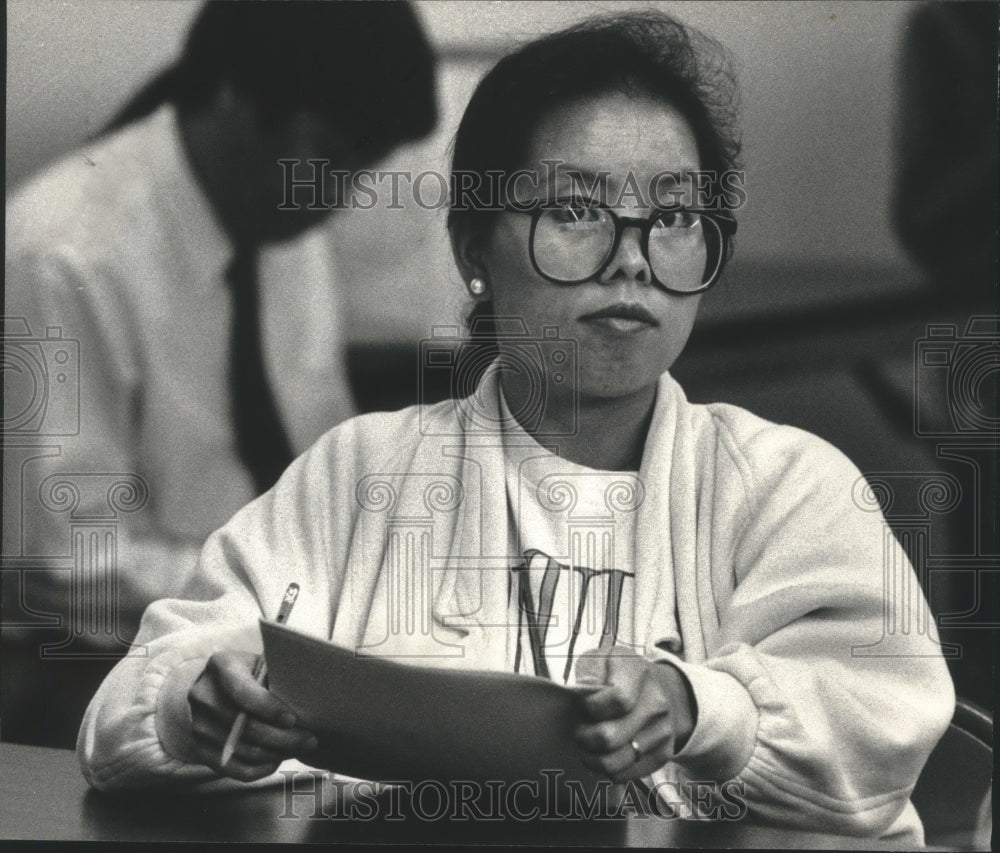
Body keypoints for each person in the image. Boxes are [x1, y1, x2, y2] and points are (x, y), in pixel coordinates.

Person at [77, 11, 953, 845]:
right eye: (576, 211)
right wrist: (202, 702)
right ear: (473, 252)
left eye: (676, 215)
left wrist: (699, 707)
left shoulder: (787, 485)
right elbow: (127, 708)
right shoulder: (360, 473)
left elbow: (885, 718)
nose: (632, 259)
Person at [3, 1, 436, 747]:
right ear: (236, 96)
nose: (337, 199)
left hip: (275, 627)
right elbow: (68, 571)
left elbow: (314, 462)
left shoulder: (279, 214)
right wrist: (281, 609)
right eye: (331, 156)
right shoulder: (63, 256)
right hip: (88, 661)